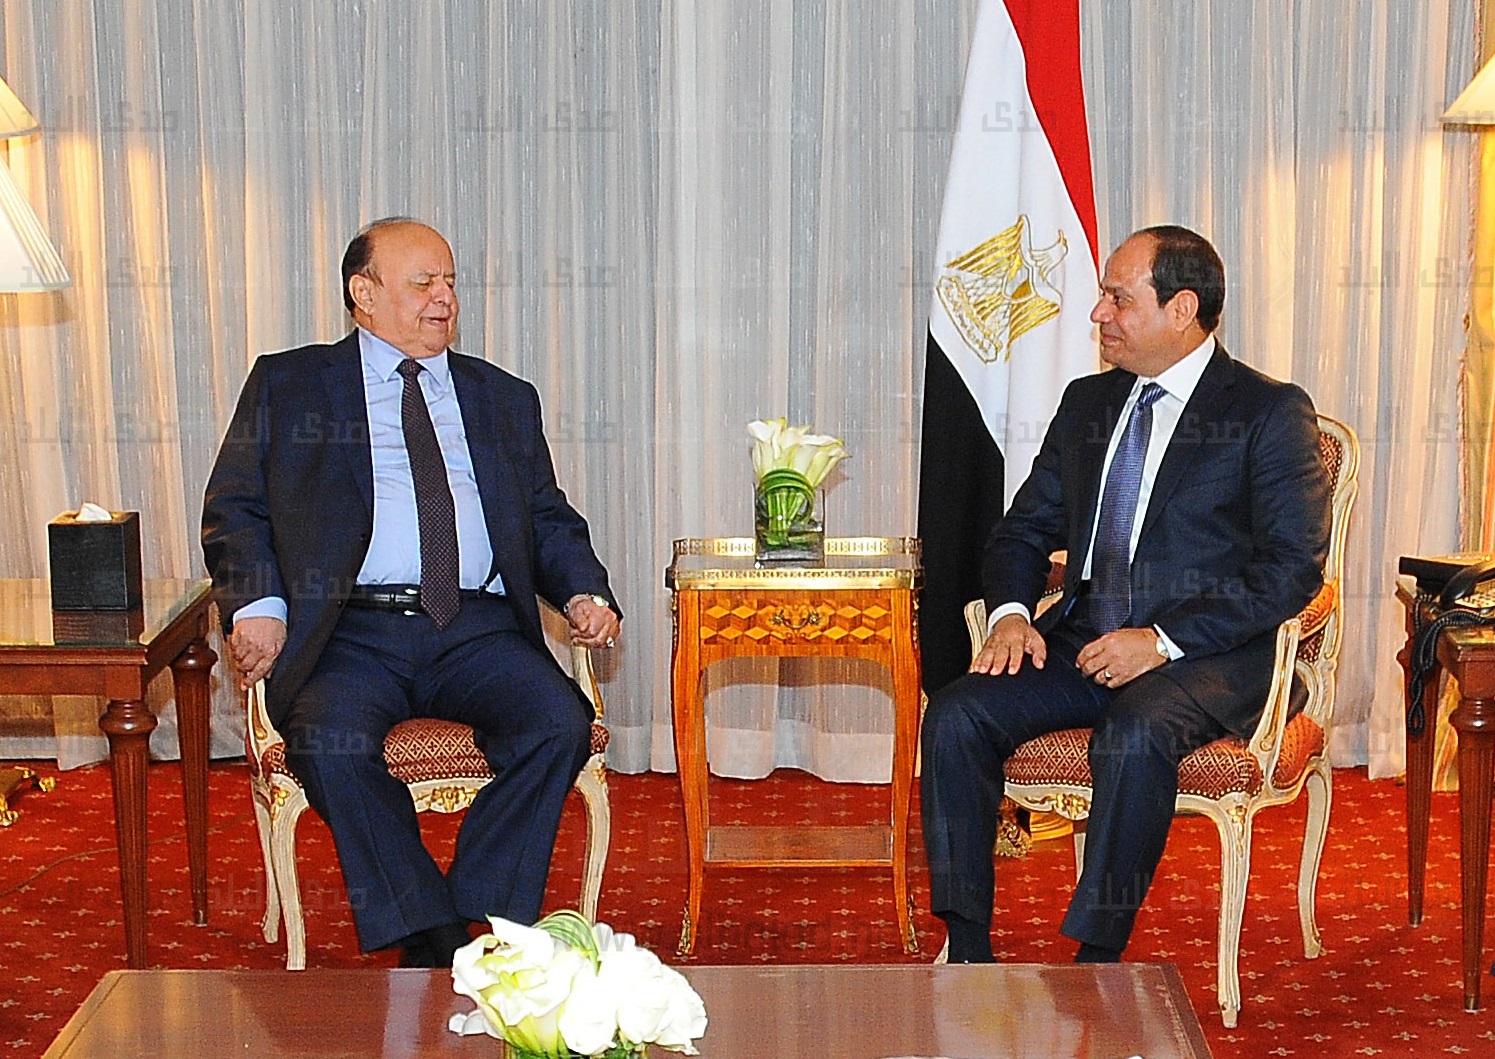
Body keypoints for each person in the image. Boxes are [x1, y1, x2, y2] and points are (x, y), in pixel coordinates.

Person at [202, 217, 620, 968]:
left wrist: (585, 591)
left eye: (450, 282)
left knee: (558, 723)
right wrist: (260, 608)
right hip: (349, 631)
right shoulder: (290, 384)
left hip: (476, 626)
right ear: (363, 293)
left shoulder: (502, 396)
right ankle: (434, 934)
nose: (444, 298)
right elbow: (235, 508)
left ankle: (467, 904)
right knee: (330, 743)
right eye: (424, 282)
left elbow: (545, 516)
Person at [919, 225, 1330, 964]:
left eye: (1118, 297)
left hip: (1207, 656)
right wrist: (1011, 615)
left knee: (1135, 732)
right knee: (956, 713)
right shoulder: (1089, 403)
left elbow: (1289, 568)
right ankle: (969, 947)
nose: (1097, 313)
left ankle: (1095, 958)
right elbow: (1021, 531)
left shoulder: (1266, 412)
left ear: (1182, 308)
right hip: (1085, 638)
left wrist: (1162, 641)